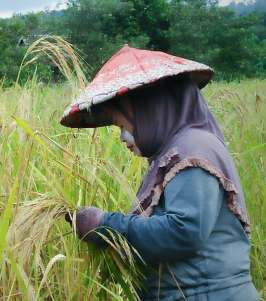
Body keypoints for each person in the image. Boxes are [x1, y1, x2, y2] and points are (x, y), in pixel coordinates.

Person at [60, 45, 260, 300]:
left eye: (122, 124)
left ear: (150, 110)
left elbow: (182, 232)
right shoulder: (173, 153)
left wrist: (105, 225)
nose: (122, 137)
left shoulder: (192, 149)